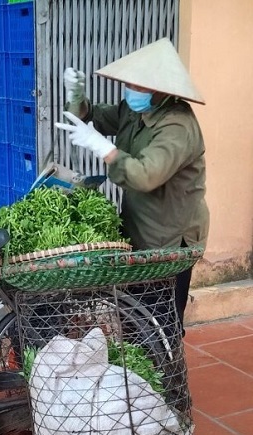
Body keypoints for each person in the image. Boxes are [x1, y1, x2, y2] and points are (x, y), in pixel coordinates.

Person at [55, 38, 209, 334]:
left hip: (171, 236)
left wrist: (103, 148)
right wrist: (76, 96)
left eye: (140, 86)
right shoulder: (135, 109)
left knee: (162, 319)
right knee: (136, 313)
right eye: (131, 84)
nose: (132, 91)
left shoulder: (177, 126)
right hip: (139, 226)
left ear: (163, 90)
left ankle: (167, 376)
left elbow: (145, 175)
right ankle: (141, 373)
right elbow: (93, 116)